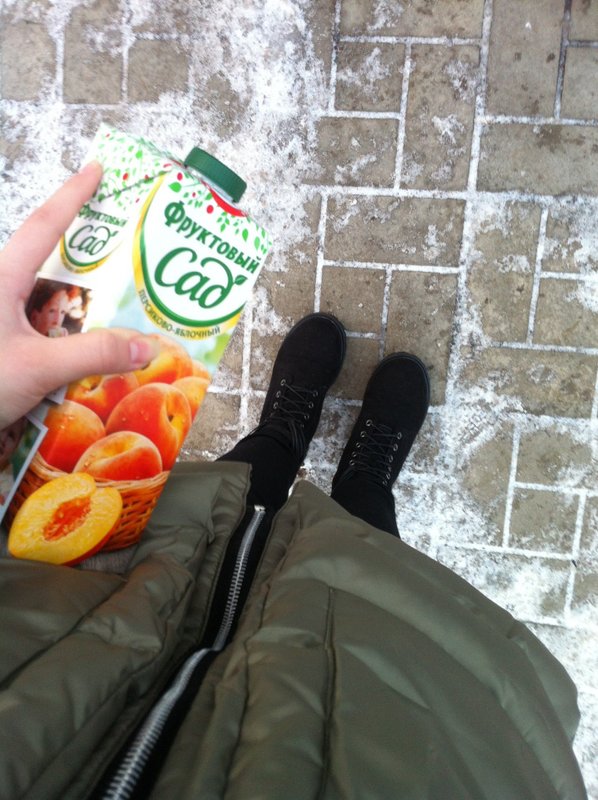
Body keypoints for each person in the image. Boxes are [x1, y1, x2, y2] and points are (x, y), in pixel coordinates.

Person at [0, 170, 587, 800]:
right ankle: (365, 480)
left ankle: (282, 436)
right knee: (361, 556)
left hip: (71, 625)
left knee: (233, 497)